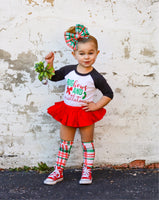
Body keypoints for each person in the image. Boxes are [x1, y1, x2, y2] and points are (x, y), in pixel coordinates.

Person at [43, 24, 113, 185]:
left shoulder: (96, 77)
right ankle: (58, 171)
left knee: (87, 143)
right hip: (68, 112)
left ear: (97, 53)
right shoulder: (69, 70)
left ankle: (87, 171)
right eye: (82, 53)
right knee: (65, 143)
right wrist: (50, 63)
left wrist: (96, 106)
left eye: (90, 53)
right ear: (74, 54)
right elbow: (53, 77)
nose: (86, 57)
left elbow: (109, 94)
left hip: (85, 114)